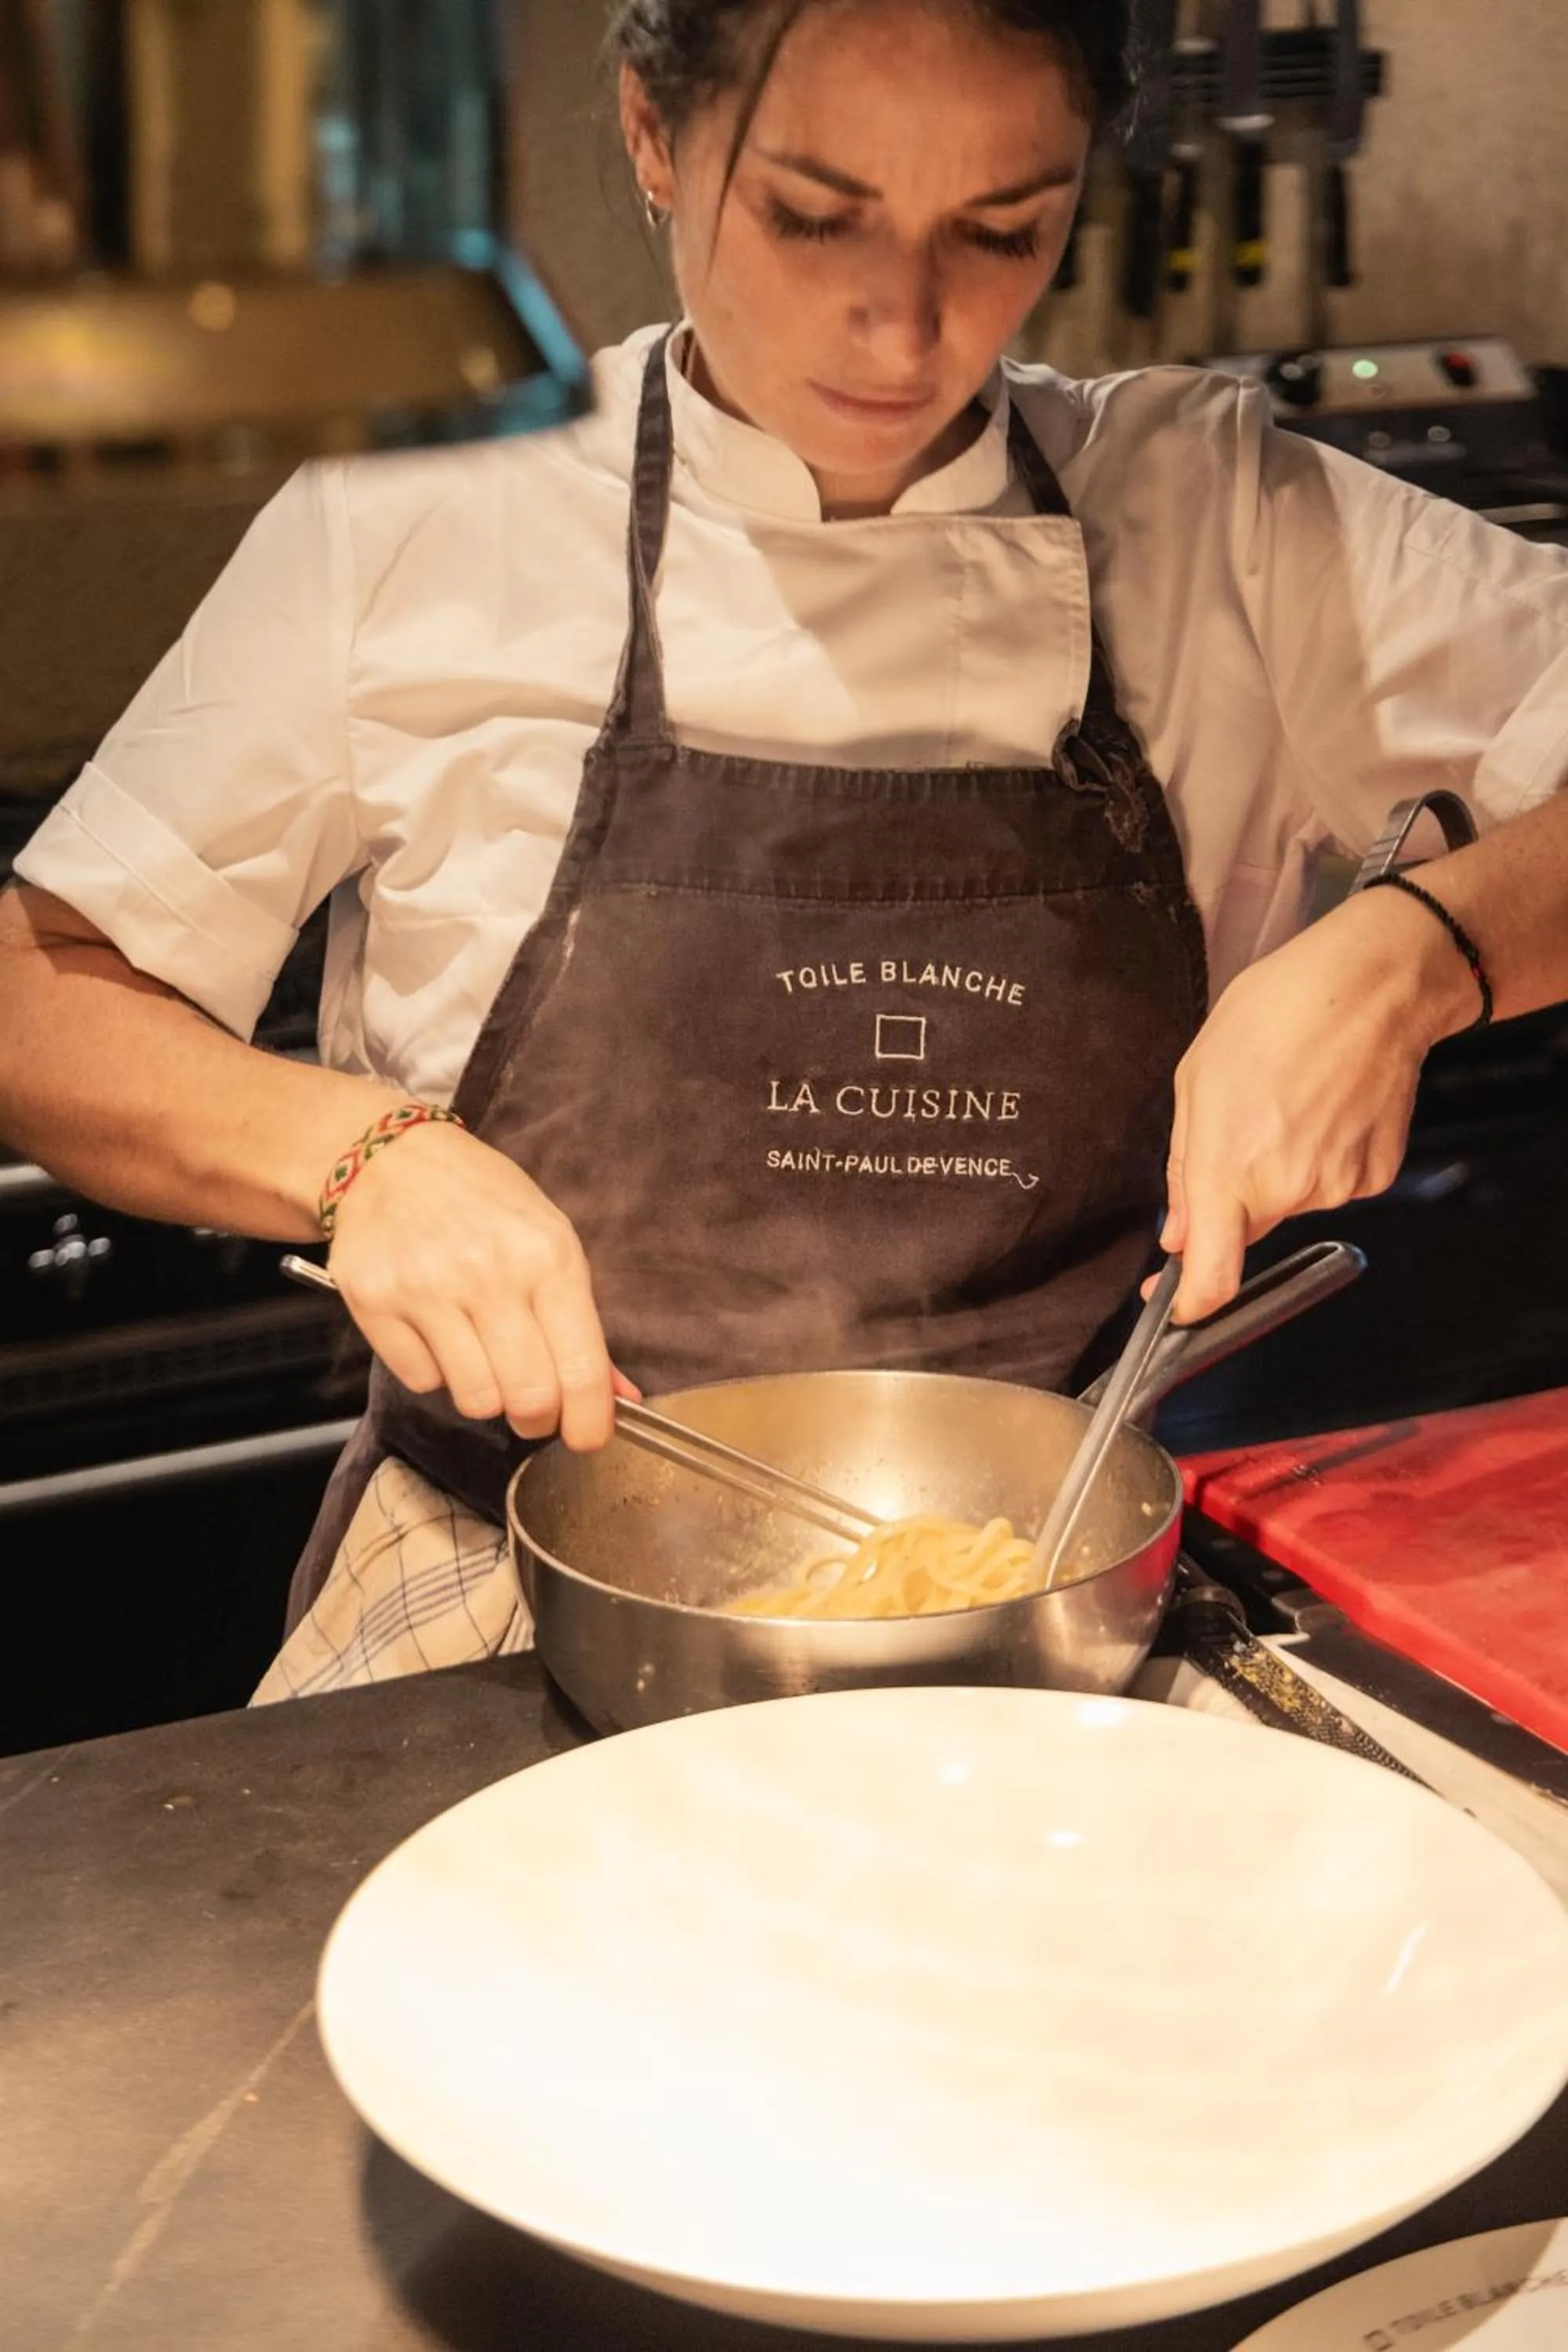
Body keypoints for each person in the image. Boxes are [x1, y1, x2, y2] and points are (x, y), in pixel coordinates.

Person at [2, 0, 1566, 1697]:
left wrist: (1417, 953)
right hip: (514, 1568)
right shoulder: (424, 512)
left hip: (1039, 1581)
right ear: (656, 139)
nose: (902, 330)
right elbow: (40, 1004)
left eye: (1001, 231)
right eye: (813, 215)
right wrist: (364, 1158)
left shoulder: (1215, 522)